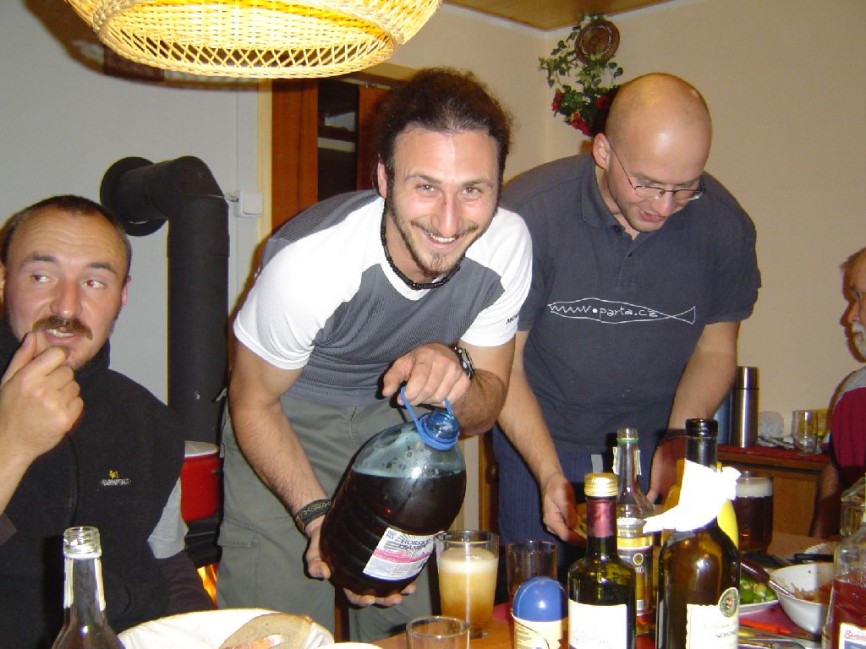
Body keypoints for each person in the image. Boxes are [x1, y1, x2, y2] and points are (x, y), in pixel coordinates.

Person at [217, 68, 531, 641]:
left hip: (399, 422)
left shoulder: (506, 247)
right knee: (279, 629)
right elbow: (252, 401)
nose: (449, 221)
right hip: (287, 413)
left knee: (412, 625)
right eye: (425, 186)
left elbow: (487, 404)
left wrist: (458, 373)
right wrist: (318, 518)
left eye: (473, 190)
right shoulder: (309, 265)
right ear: (383, 177)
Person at [493, 72, 761, 572]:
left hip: (655, 448)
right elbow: (505, 364)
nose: (664, 206)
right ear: (602, 151)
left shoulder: (724, 226)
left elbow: (716, 349)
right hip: (543, 438)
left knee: (651, 594)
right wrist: (549, 474)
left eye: (685, 187)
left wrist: (677, 441)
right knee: (536, 597)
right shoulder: (529, 216)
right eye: (647, 184)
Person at [0, 195, 212, 648]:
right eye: (41, 276)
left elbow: (167, 563)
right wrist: (11, 443)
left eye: (94, 282)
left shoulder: (150, 420)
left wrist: (212, 635)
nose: (66, 307)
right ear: (3, 282)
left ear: (122, 296)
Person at [811, 246, 866, 537]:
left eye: (862, 297)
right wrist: (815, 549)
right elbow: (834, 471)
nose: (851, 316)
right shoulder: (853, 392)